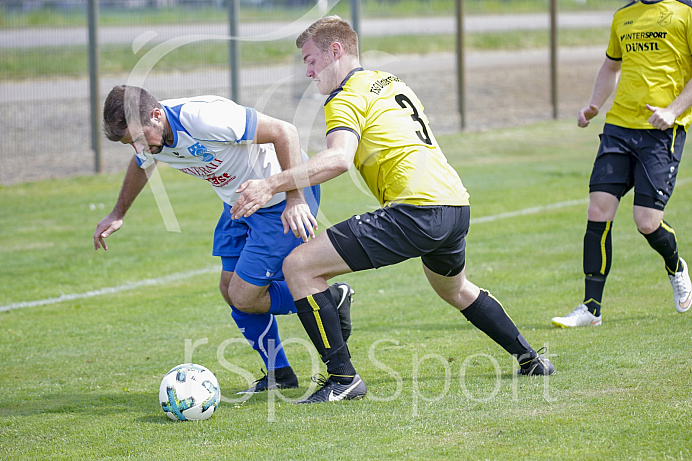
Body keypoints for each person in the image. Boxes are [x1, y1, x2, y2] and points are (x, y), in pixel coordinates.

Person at [230, 16, 555, 404]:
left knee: (300, 266)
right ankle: (531, 360)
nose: (308, 71)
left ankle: (343, 379)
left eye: (310, 59)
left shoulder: (345, 96)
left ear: (336, 51)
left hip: (416, 211)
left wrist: (271, 184)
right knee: (456, 289)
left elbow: (337, 160)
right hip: (454, 205)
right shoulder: (388, 80)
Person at [93, 85, 354, 393]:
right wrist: (117, 213)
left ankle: (328, 298)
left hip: (280, 200)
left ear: (156, 115)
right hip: (239, 203)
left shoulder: (204, 118)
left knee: (245, 295)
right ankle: (279, 373)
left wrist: (293, 196)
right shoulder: (151, 139)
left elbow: (286, 132)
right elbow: (141, 165)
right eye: (130, 144)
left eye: (138, 140)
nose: (139, 149)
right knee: (230, 290)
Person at [551, 0, 692, 328]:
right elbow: (611, 67)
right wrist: (593, 105)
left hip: (661, 132)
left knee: (646, 222)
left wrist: (672, 110)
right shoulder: (622, 16)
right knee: (597, 210)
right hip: (618, 128)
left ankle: (676, 268)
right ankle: (591, 308)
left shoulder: (685, 12)